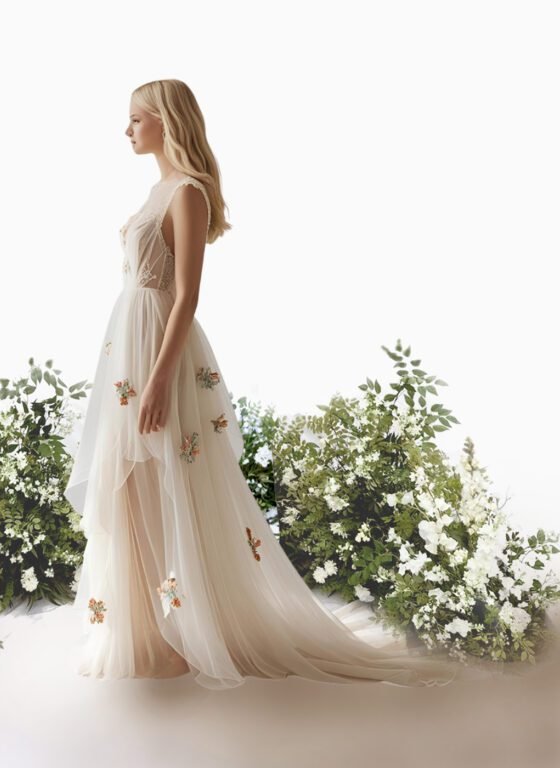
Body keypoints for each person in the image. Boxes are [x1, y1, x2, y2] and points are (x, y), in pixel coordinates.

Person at [63, 79, 465, 691]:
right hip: (128, 346)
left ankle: (183, 634)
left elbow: (189, 295)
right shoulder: (154, 190)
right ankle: (147, 632)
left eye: (135, 119)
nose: (126, 130)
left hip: (158, 352)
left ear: (165, 122)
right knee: (131, 486)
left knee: (168, 476)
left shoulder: (188, 194)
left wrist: (159, 379)